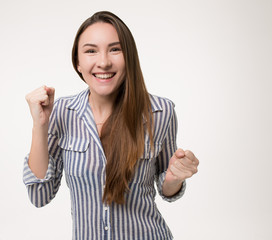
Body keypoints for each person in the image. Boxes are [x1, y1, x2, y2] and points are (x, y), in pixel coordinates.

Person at [23, 11, 199, 240]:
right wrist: (39, 125)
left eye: (115, 49)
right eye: (91, 51)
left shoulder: (160, 111)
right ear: (78, 61)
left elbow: (166, 190)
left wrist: (175, 177)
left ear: (130, 57)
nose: (104, 62)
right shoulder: (61, 112)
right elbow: (40, 195)